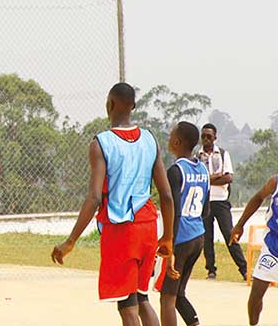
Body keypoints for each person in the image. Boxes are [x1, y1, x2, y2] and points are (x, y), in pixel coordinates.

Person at [52, 83, 176, 326]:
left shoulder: (101, 143)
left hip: (121, 229)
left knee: (126, 304)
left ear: (110, 104)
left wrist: (71, 240)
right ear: (134, 106)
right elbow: (167, 195)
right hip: (149, 225)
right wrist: (168, 236)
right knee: (142, 298)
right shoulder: (150, 139)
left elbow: (95, 198)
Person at [153, 121, 209, 326]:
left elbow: (174, 213)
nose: (169, 139)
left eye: (171, 136)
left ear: (177, 142)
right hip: (198, 236)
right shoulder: (203, 169)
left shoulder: (175, 171)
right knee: (179, 294)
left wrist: (170, 247)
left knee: (167, 297)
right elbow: (206, 210)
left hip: (180, 239)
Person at [199, 122, 247, 280]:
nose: (206, 139)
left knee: (229, 234)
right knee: (207, 238)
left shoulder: (223, 154)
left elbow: (229, 177)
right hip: (205, 201)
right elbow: (199, 179)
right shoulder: (197, 156)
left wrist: (208, 178)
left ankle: (244, 269)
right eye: (203, 136)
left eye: (209, 136)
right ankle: (211, 270)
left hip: (220, 200)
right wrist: (215, 176)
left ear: (215, 138)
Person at [231, 169, 278, 326]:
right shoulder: (274, 182)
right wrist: (240, 224)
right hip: (273, 246)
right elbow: (258, 198)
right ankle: (253, 323)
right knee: (256, 293)